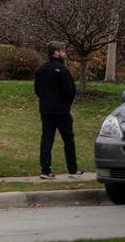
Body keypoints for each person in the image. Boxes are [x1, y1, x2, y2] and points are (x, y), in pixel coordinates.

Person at [34, 41, 82, 179]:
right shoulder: (63, 70)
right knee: (68, 139)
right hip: (61, 110)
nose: (64, 53)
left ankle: (45, 170)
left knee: (47, 139)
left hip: (46, 109)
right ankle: (72, 169)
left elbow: (37, 90)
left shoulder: (40, 70)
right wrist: (67, 104)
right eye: (62, 51)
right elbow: (70, 91)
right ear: (56, 52)